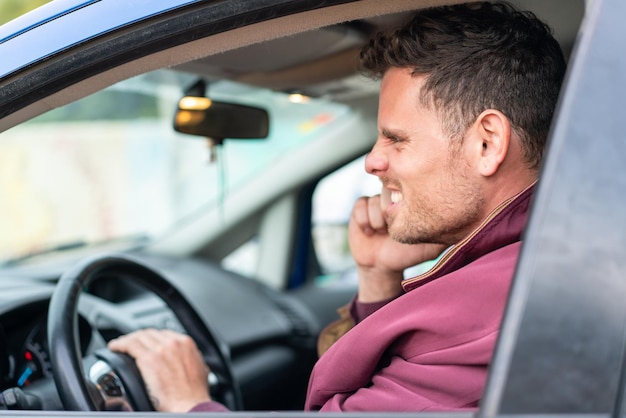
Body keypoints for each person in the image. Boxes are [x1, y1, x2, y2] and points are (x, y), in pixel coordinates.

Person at [108, 1, 566, 412]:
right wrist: (378, 277)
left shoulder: (490, 313)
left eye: (396, 138)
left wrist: (189, 403)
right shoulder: (530, 265)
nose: (373, 160)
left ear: (487, 143)